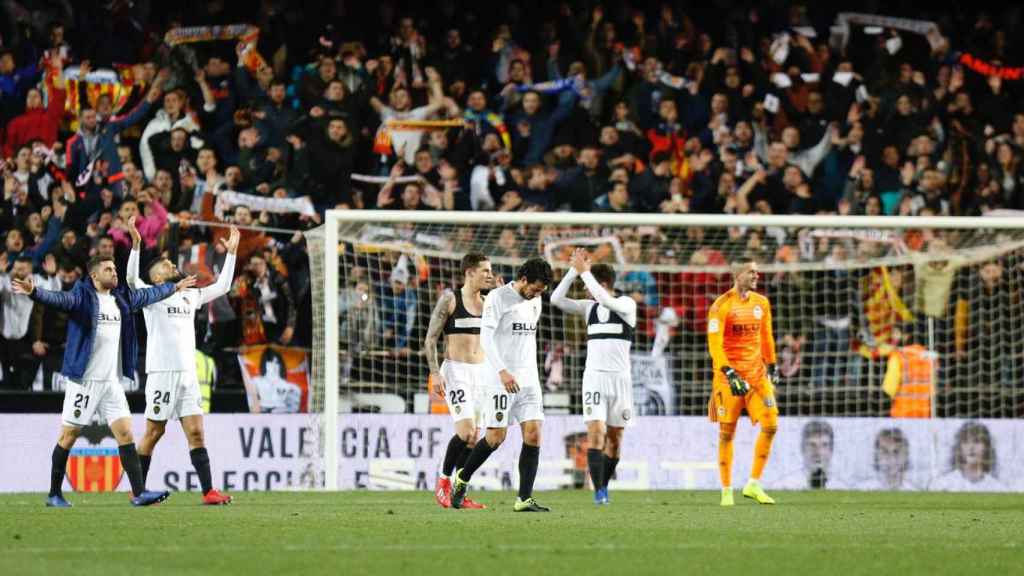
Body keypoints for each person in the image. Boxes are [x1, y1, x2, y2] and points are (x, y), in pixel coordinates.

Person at [12, 255, 195, 507]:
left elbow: (148, 296)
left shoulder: (121, 299)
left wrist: (173, 286)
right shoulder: (82, 297)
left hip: (111, 383)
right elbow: (60, 299)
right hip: (85, 381)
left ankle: (139, 493)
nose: (114, 272)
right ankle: (54, 493)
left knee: (126, 433)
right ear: (95, 276)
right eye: (108, 269)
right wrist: (34, 292)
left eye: (115, 268)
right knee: (69, 436)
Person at [126, 217, 238, 505]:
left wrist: (232, 254)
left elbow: (223, 285)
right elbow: (130, 280)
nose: (172, 265)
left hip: (187, 375)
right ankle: (138, 490)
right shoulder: (151, 297)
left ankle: (209, 491)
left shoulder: (191, 295)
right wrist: (136, 246)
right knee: (154, 431)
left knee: (197, 433)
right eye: (165, 265)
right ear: (157, 278)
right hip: (162, 374)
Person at [450, 257, 553, 512]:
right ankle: (462, 478)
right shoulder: (497, 298)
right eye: (535, 288)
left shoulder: (535, 301)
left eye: (541, 291)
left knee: (534, 433)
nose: (537, 294)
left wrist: (521, 371)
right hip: (499, 380)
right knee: (496, 438)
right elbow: (486, 338)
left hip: (528, 379)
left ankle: (524, 498)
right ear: (524, 279)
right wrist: (503, 372)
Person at [550, 248, 636, 505]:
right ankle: (599, 492)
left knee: (615, 439)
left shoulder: (626, 305)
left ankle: (604, 484)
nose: (585, 290)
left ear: (604, 284)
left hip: (620, 380)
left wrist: (584, 272)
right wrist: (573, 272)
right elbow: (556, 299)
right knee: (596, 433)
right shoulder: (589, 308)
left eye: (588, 284)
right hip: (594, 379)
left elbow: (605, 299)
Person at [424, 253, 494, 509]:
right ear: (469, 272)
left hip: (482, 373)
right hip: (456, 372)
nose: (489, 275)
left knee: (474, 438)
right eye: (485, 270)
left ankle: (458, 495)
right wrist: (434, 372)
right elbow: (430, 339)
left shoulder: (488, 303)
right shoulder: (450, 298)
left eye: (490, 270)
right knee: (465, 432)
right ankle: (443, 482)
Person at [707, 258, 779, 506]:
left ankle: (753, 484)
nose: (756, 275)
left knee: (771, 425)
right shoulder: (721, 306)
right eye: (751, 272)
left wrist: (772, 364)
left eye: (757, 271)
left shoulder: (762, 303)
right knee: (727, 434)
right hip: (729, 379)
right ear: (738, 275)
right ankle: (726, 490)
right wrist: (728, 371)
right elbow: (715, 345)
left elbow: (766, 336)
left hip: (757, 376)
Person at [931, 422, 1004, 491]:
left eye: (977, 441)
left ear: (986, 447)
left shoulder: (998, 488)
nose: (971, 447)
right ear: (959, 447)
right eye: (966, 442)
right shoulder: (942, 485)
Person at [883, 327, 935, 418]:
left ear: (906, 336)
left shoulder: (898, 356)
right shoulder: (931, 358)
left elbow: (889, 389)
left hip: (902, 415)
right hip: (925, 416)